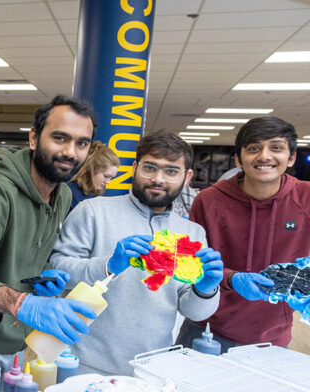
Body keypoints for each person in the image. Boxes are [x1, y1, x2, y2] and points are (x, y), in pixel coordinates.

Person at [0, 95, 100, 387]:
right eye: (60, 138)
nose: (70, 152)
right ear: (34, 139)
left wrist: (43, 274)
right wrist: (22, 303)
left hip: (20, 341)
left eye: (81, 143)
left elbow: (30, 250)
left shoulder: (61, 194)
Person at [50, 130, 223, 375]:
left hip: (153, 369)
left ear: (187, 177)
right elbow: (57, 270)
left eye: (171, 171)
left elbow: (193, 311)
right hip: (83, 364)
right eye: (149, 168)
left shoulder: (192, 234)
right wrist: (108, 265)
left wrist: (205, 289)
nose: (158, 179)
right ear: (134, 168)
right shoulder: (93, 211)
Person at [176, 116, 310, 352]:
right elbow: (189, 261)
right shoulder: (208, 201)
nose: (265, 156)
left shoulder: (306, 199)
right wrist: (231, 279)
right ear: (238, 158)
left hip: (273, 339)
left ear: (291, 158)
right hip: (205, 330)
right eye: (254, 148)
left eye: (276, 148)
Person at [67, 141, 120, 210]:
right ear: (93, 169)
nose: (108, 182)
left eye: (111, 178)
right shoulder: (68, 192)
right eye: (106, 176)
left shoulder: (97, 195)